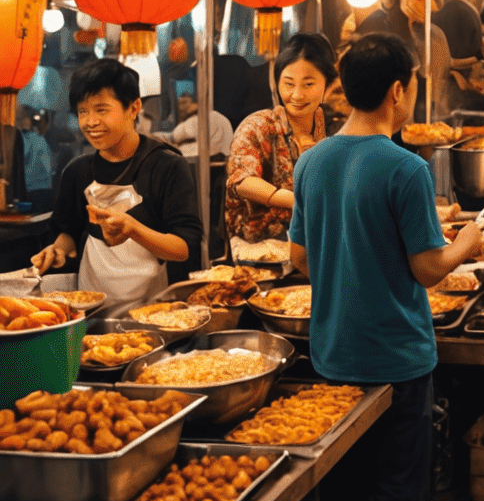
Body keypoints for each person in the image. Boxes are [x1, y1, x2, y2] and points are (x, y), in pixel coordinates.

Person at [289, 34, 482, 501]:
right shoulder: (406, 168)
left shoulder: (312, 162)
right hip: (397, 361)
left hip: (332, 358)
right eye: (413, 87)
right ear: (398, 90)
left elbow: (299, 257)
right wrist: (466, 243)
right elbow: (428, 269)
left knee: (344, 494)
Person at [32, 58, 202, 302]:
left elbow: (185, 247)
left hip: (153, 309)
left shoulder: (167, 165)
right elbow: (68, 230)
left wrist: (133, 229)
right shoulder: (77, 171)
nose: (90, 122)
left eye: (101, 110)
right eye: (83, 111)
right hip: (92, 309)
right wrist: (58, 249)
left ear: (133, 108)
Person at [225, 32, 337, 247]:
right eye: (288, 84)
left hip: (319, 248)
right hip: (260, 253)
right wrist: (295, 201)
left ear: (327, 85)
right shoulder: (258, 125)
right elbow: (241, 181)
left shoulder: (335, 130)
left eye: (308, 84)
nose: (296, 95)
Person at [167, 93, 235, 161]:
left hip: (209, 161)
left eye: (184, 103)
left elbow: (175, 136)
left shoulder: (197, 120)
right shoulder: (218, 116)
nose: (181, 108)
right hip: (225, 159)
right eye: (180, 104)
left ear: (196, 103)